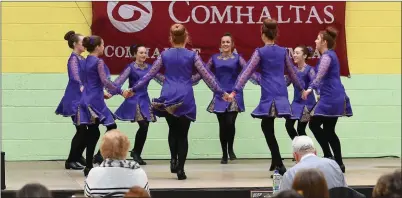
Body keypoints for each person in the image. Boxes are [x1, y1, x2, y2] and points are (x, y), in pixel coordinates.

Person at [127, 24, 227, 180]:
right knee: (183, 134)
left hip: (168, 94)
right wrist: (222, 93)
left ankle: (173, 159)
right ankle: (181, 169)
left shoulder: (164, 54)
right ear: (186, 38)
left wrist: (133, 88)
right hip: (185, 95)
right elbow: (207, 76)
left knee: (172, 131)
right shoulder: (192, 55)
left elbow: (149, 74)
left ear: (171, 38)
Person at [228, 18, 304, 176]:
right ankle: (280, 161)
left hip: (269, 94)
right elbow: (292, 72)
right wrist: (302, 88)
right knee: (271, 127)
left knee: (266, 127)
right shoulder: (283, 51)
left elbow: (247, 71)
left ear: (263, 35)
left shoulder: (260, 52)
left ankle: (279, 164)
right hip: (281, 92)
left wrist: (235, 90)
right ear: (275, 34)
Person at [191, 32, 260, 164]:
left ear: (232, 44)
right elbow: (204, 72)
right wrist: (189, 80)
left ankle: (230, 148)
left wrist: (262, 80)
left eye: (228, 42)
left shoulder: (238, 58)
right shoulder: (214, 58)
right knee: (222, 125)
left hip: (234, 94)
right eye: (223, 42)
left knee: (230, 123)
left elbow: (247, 72)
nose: (225, 44)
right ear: (220, 45)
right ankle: (224, 153)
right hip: (220, 94)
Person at [75, 35, 132, 176]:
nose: (104, 47)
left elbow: (87, 81)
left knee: (93, 133)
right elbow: (105, 81)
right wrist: (120, 91)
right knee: (111, 126)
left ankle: (89, 165)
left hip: (86, 98)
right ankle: (99, 155)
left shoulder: (84, 60)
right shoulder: (98, 62)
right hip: (95, 100)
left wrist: (101, 92)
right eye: (103, 45)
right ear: (97, 47)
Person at [302, 26, 353, 173]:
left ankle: (328, 156)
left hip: (331, 96)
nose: (315, 41)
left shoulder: (327, 56)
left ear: (324, 41)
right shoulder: (331, 54)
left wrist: (310, 88)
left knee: (313, 124)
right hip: (335, 95)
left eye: (317, 39)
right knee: (329, 130)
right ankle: (339, 162)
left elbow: (320, 75)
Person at [112, 44, 165, 165]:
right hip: (134, 99)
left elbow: (162, 79)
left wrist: (175, 80)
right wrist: (117, 92)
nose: (144, 55)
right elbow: (119, 81)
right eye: (141, 53)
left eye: (145, 53)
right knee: (143, 125)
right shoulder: (130, 67)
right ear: (135, 54)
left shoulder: (150, 68)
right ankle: (102, 153)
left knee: (145, 126)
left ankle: (136, 152)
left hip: (144, 99)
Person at [55, 30, 87, 170]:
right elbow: (75, 76)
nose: (85, 45)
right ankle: (70, 160)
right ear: (75, 44)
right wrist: (81, 86)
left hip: (83, 97)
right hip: (75, 98)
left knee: (86, 130)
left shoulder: (82, 58)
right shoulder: (73, 59)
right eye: (83, 42)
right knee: (81, 130)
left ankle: (78, 155)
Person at [84, 130, 149, 197]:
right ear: (126, 148)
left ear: (102, 149)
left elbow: (87, 195)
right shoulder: (139, 173)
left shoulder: (93, 173)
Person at [279, 136, 346, 191]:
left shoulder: (290, 174)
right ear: (315, 152)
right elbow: (346, 190)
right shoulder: (333, 164)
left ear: (295, 155)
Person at [284, 45, 317, 140]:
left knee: (301, 129)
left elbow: (314, 83)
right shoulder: (292, 70)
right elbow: (286, 83)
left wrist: (317, 93)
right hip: (296, 103)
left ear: (305, 56)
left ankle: (308, 150)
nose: (294, 55)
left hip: (307, 104)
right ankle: (299, 146)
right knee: (289, 126)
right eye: (294, 53)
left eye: (297, 53)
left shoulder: (310, 70)